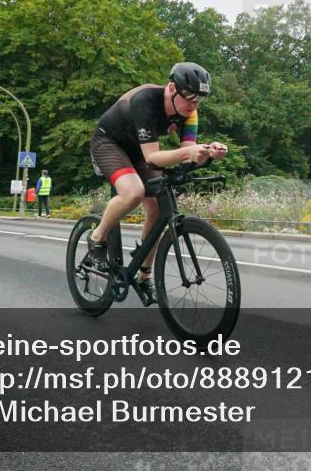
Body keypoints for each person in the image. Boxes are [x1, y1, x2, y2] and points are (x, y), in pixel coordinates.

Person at [87, 62, 227, 305]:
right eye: (190, 98)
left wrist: (206, 151)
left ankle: (144, 275)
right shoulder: (146, 101)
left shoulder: (190, 112)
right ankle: (97, 237)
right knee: (133, 192)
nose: (194, 104)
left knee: (159, 206)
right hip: (108, 143)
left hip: (138, 150)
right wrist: (189, 152)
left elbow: (185, 152)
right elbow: (153, 157)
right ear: (172, 88)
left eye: (199, 100)